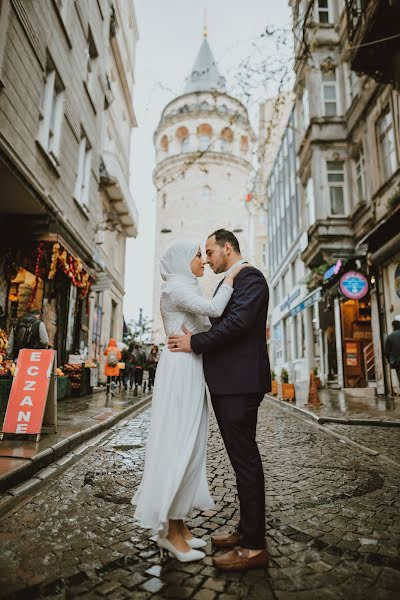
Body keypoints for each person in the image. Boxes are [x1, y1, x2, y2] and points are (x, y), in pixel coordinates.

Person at [132, 240, 245, 563]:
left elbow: (207, 327)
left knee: (190, 443)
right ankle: (169, 534)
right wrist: (232, 277)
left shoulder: (186, 287)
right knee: (178, 442)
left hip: (191, 366)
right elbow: (214, 311)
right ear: (182, 261)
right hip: (180, 369)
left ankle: (179, 528)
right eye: (198, 256)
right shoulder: (175, 289)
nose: (203, 261)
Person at [168, 229, 271, 572]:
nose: (208, 259)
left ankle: (255, 546)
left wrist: (194, 344)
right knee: (241, 462)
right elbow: (224, 319)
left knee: (246, 462)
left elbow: (239, 323)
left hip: (240, 384)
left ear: (228, 248)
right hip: (230, 383)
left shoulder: (251, 277)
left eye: (210, 252)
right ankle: (246, 531)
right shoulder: (233, 280)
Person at [384, 320, 400, 392]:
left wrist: (390, 361)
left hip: (398, 362)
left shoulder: (390, 337)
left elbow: (386, 352)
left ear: (393, 326)